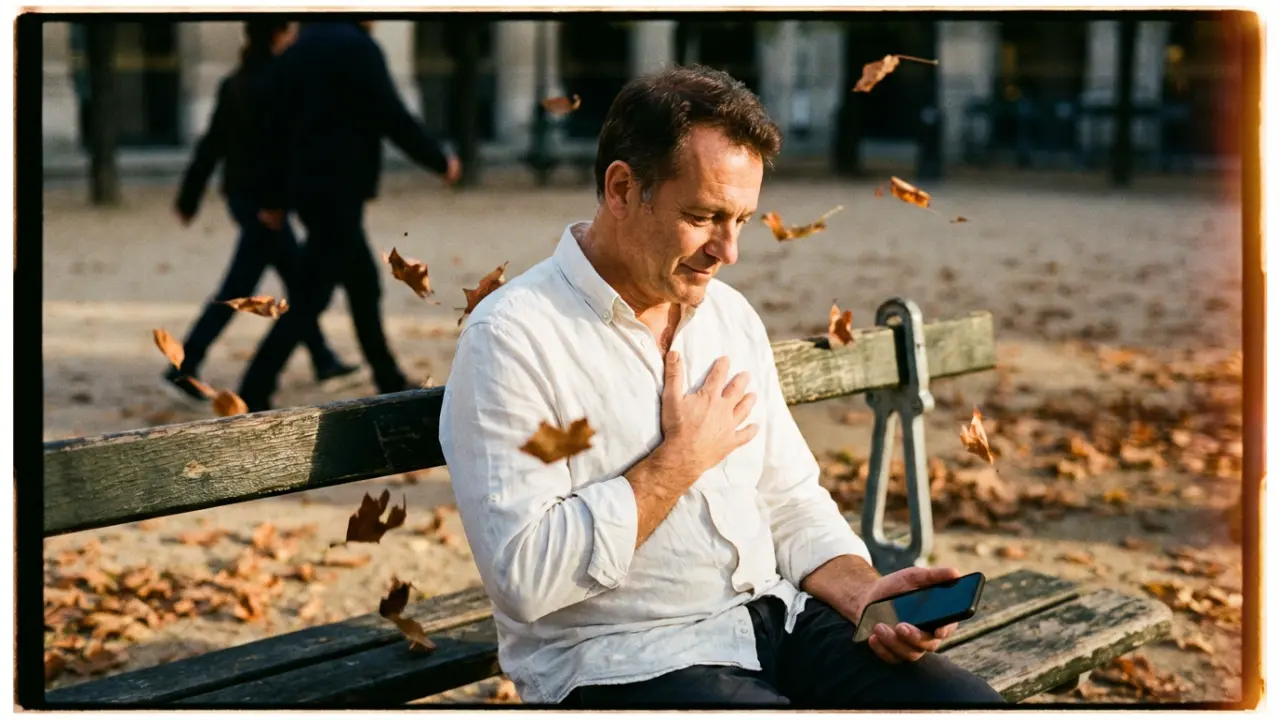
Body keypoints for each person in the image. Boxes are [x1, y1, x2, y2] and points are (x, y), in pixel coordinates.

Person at [438, 65, 1005, 709]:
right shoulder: (514, 337)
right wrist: (674, 464)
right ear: (622, 188)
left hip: (778, 622)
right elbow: (524, 574)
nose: (728, 250)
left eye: (742, 219)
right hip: (624, 659)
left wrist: (861, 592)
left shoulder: (728, 315)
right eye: (704, 216)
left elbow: (789, 499)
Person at [236, 19, 461, 412]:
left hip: (309, 189)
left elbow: (271, 129)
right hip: (339, 188)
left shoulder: (299, 47)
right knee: (311, 295)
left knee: (362, 285)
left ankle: (387, 376)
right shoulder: (358, 48)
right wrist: (438, 160)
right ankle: (252, 389)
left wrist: (272, 197)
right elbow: (391, 114)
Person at [165, 18, 357, 401]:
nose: (297, 39)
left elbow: (211, 144)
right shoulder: (276, 83)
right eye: (292, 32)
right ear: (278, 35)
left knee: (299, 280)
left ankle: (322, 356)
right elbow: (278, 151)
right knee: (242, 287)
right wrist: (276, 202)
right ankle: (183, 366)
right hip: (264, 205)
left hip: (244, 197)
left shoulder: (235, 80)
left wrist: (190, 196)